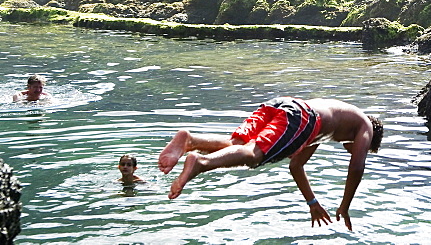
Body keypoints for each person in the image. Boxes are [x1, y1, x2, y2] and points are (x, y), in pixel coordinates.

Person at [157, 97, 383, 231]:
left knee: (235, 145)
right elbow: (356, 168)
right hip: (301, 116)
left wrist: (312, 202)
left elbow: (296, 166)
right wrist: (345, 206)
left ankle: (191, 142)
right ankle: (200, 163)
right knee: (254, 156)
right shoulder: (366, 125)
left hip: (284, 105)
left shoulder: (327, 128)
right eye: (364, 148)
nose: (356, 150)